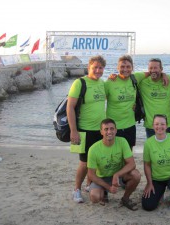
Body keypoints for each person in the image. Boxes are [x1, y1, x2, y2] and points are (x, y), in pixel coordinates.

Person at [67, 55, 107, 203]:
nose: (98, 70)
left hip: (100, 130)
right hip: (84, 130)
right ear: (89, 68)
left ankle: (89, 185)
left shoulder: (102, 83)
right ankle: (76, 189)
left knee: (96, 161)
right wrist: (73, 130)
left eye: (100, 68)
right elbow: (70, 107)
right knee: (84, 163)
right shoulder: (80, 83)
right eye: (95, 67)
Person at [87, 118, 141, 210]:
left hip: (119, 176)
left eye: (112, 129)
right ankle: (104, 192)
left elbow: (132, 164)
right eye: (106, 129)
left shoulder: (122, 141)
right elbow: (91, 175)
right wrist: (108, 187)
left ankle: (125, 199)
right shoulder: (93, 149)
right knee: (94, 197)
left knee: (136, 175)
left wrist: (117, 174)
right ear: (101, 132)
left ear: (116, 130)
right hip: (102, 177)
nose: (109, 132)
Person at [142, 114, 170, 211]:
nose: (159, 127)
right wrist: (149, 183)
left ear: (166, 126)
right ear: (153, 126)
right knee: (148, 206)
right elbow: (147, 165)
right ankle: (160, 192)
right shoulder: (148, 143)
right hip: (157, 178)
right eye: (157, 124)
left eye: (162, 124)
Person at [104, 55, 145, 150]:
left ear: (132, 68)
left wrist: (163, 75)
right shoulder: (110, 82)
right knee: (113, 153)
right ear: (117, 68)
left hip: (130, 125)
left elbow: (151, 72)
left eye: (128, 67)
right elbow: (98, 101)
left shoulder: (135, 78)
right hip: (113, 126)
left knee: (128, 153)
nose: (125, 69)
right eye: (122, 67)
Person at [135, 58, 170, 138]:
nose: (153, 70)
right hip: (151, 125)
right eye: (151, 68)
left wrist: (164, 75)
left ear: (161, 69)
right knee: (152, 149)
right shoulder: (143, 82)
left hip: (167, 124)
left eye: (155, 68)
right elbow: (129, 78)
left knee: (167, 149)